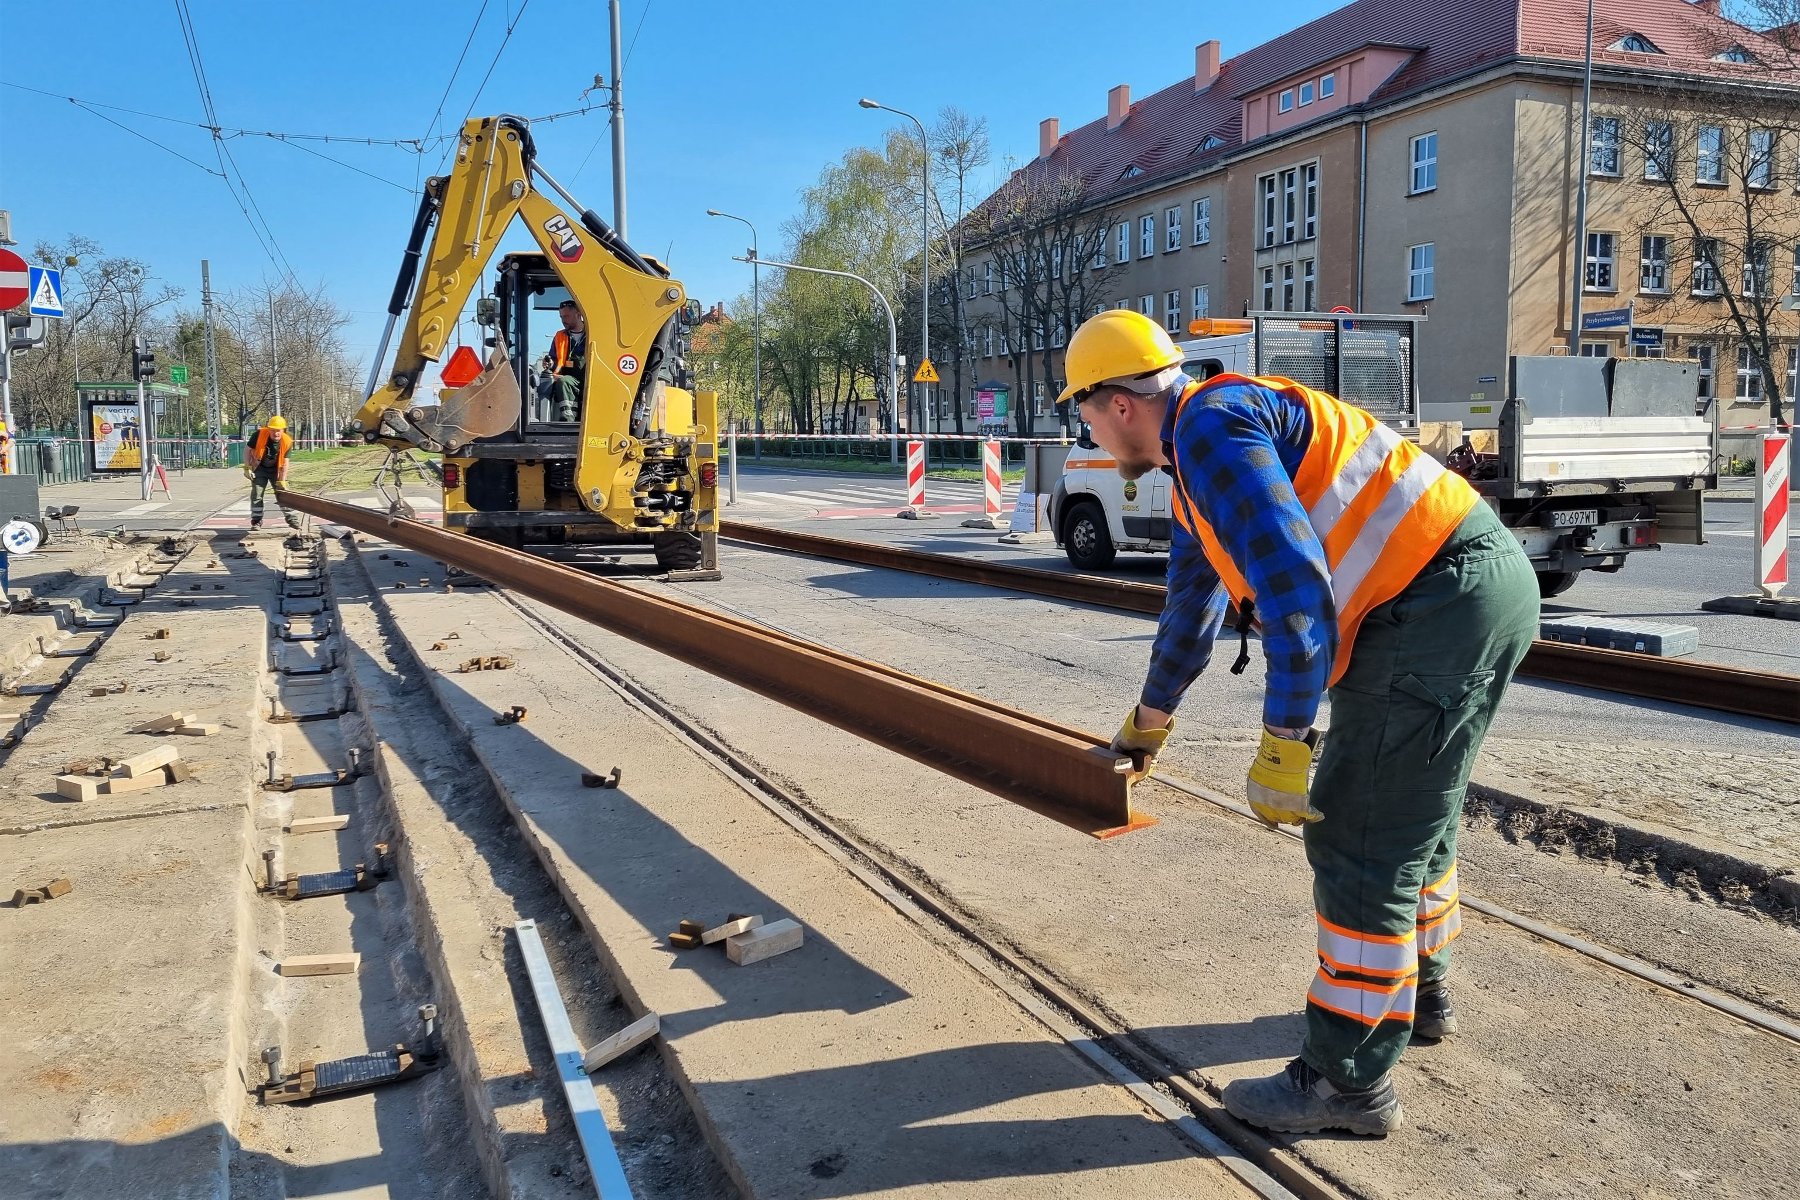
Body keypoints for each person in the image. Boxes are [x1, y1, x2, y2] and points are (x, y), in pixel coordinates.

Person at [1061, 309, 1538, 1137]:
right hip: (1465, 590)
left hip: (1432, 605)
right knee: (1409, 824)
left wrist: (1284, 743)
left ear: (1120, 403)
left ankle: (1346, 1083)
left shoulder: (1209, 432)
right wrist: (1146, 724)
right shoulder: (1203, 455)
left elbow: (1296, 590)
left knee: (1357, 838)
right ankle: (1420, 993)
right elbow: (1189, 615)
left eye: (1085, 413)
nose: (1091, 433)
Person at [244, 414, 293, 530]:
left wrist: (282, 480)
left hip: (276, 470)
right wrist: (246, 467)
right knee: (257, 494)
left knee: (283, 493)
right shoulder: (259, 435)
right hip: (259, 468)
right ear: (269, 429)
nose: (275, 433)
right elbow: (247, 450)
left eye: (278, 431)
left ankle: (292, 519)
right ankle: (256, 521)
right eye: (273, 430)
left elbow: (285, 462)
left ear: (283, 430)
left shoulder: (287, 441)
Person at [546, 300, 586, 422]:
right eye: (561, 317)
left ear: (578, 315)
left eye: (567, 316)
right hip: (571, 379)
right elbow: (554, 359)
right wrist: (550, 364)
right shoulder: (560, 336)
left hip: (591, 378)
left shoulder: (593, 333)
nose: (563, 320)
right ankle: (568, 421)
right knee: (563, 382)